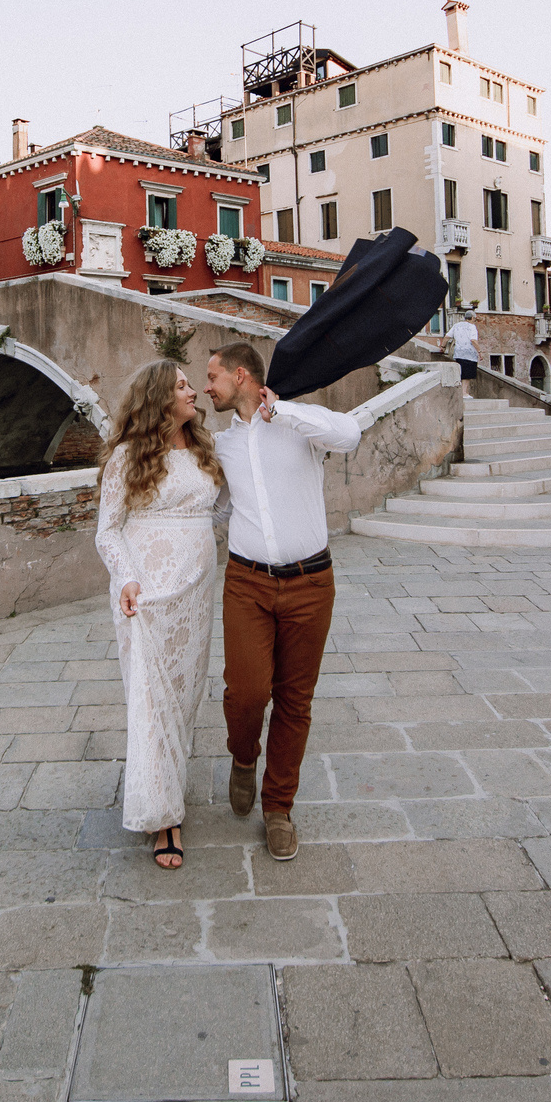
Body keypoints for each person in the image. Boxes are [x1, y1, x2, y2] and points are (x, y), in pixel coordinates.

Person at [202, 342, 360, 861]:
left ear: (241, 375)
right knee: (245, 693)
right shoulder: (222, 447)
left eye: (213, 377)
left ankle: (278, 808)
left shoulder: (299, 424)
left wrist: (284, 410)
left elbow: (351, 433)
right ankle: (243, 757)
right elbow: (218, 511)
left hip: (311, 585)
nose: (208, 387)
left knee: (295, 701)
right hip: (247, 583)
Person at [93, 360, 227, 871]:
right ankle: (163, 816)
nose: (193, 391)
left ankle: (167, 783)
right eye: (182, 386)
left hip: (194, 595)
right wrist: (126, 577)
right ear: (159, 399)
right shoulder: (128, 456)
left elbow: (217, 513)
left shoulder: (203, 450)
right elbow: (108, 530)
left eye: (192, 383)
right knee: (152, 700)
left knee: (185, 696)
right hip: (144, 594)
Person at [449, 306, 481, 379]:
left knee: (460, 375)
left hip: (458, 354)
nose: (474, 321)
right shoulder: (472, 327)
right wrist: (479, 351)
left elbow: (447, 336)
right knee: (467, 377)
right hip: (469, 355)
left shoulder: (456, 325)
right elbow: (473, 340)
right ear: (472, 318)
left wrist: (442, 347)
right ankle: (464, 391)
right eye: (475, 319)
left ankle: (463, 390)